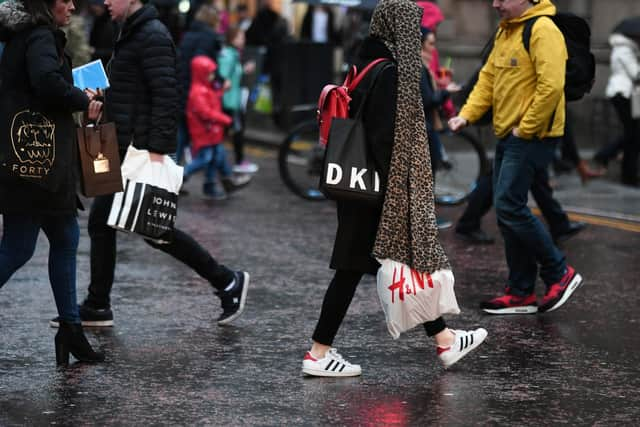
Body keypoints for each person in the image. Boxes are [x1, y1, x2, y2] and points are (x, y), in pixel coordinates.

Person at [302, 0, 487, 378]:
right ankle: (319, 353)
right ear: (398, 28)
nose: (417, 35)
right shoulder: (389, 72)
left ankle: (445, 340)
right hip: (378, 190)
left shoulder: (365, 63)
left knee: (386, 266)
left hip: (361, 186)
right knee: (362, 267)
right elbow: (387, 138)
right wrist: (401, 193)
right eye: (412, 28)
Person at [49, 0, 250, 328]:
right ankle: (98, 304)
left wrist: (158, 150)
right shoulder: (130, 32)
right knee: (109, 223)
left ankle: (227, 280)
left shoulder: (152, 35)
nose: (105, 3)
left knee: (152, 228)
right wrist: (101, 100)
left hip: (140, 151)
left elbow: (166, 95)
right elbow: (133, 91)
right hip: (123, 145)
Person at [448, 0, 584, 314]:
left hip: (532, 136)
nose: (495, 3)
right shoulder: (506, 32)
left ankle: (558, 272)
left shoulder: (543, 29)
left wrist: (527, 128)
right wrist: (466, 115)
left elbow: (552, 86)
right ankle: (521, 291)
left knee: (508, 203)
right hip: (509, 133)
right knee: (509, 208)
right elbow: (488, 80)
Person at [0, 0, 104, 365]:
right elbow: (45, 82)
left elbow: (36, 82)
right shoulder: (40, 35)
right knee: (19, 247)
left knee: (64, 237)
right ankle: (71, 331)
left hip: (30, 160)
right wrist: (82, 99)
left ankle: (71, 330)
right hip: (38, 164)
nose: (73, 5)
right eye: (66, 0)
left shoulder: (20, 35)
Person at [184, 55, 252, 199]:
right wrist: (226, 120)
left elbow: (212, 102)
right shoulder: (198, 92)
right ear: (201, 74)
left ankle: (213, 186)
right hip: (204, 133)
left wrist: (222, 91)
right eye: (209, 73)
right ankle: (180, 177)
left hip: (211, 133)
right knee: (205, 159)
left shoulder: (205, 89)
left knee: (215, 158)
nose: (212, 76)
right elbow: (207, 112)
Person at [419, 26, 460, 230]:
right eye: (431, 44)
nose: (434, 49)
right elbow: (427, 100)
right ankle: (426, 220)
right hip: (425, 127)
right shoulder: (419, 67)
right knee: (428, 174)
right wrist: (446, 92)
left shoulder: (424, 66)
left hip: (428, 126)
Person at [176, 3, 223, 165]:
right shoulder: (209, 37)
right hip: (198, 94)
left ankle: (170, 180)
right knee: (206, 138)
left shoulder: (188, 35)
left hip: (183, 89)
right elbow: (202, 66)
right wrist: (220, 79)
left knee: (182, 136)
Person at [594, 28, 640, 187]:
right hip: (623, 94)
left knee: (632, 134)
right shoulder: (624, 50)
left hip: (626, 94)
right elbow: (636, 74)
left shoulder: (628, 49)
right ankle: (627, 174)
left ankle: (607, 156)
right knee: (633, 135)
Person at [218, 25, 258, 174]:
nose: (244, 40)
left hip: (233, 101)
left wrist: (244, 69)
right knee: (234, 132)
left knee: (228, 133)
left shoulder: (233, 53)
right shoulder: (229, 55)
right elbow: (223, 77)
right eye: (240, 37)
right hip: (229, 102)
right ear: (232, 38)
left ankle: (217, 162)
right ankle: (237, 163)